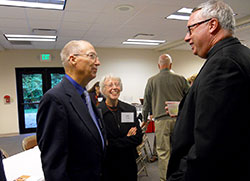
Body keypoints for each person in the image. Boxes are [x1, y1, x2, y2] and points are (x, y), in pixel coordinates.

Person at [166, 1, 250, 181]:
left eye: (191, 29)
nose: (186, 38)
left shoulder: (223, 64)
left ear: (212, 25)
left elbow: (209, 144)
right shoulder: (240, 54)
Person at [36, 40, 106, 181]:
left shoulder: (86, 96)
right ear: (73, 59)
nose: (97, 62)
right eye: (92, 56)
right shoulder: (55, 99)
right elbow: (54, 165)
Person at [142, 54, 189, 181]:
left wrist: (145, 119)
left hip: (161, 121)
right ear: (171, 65)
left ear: (158, 66)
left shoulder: (152, 81)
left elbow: (146, 103)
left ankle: (165, 179)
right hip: (179, 120)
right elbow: (190, 98)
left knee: (163, 153)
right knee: (179, 151)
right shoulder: (181, 79)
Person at [98, 74, 143, 181]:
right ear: (103, 90)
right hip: (108, 165)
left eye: (117, 85)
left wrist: (112, 142)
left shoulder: (129, 109)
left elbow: (138, 138)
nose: (114, 87)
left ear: (121, 88)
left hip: (129, 162)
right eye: (110, 85)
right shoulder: (98, 112)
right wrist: (127, 139)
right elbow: (101, 143)